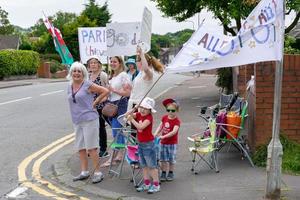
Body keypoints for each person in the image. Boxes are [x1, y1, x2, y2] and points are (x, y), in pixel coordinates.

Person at [66, 62, 109, 184]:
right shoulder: (69, 86)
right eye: (74, 71)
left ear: (83, 73)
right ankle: (84, 172)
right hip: (77, 120)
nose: (76, 73)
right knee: (81, 148)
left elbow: (105, 91)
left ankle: (97, 172)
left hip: (90, 119)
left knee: (91, 148)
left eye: (79, 71)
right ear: (71, 73)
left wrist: (95, 102)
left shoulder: (87, 84)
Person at [101, 56, 132, 167]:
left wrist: (113, 90)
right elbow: (111, 93)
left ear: (120, 63)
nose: (112, 63)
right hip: (112, 105)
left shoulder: (123, 75)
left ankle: (113, 158)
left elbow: (128, 93)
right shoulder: (112, 76)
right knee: (117, 131)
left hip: (121, 105)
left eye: (115, 61)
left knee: (116, 131)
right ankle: (120, 153)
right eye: (111, 61)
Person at [126, 97, 160, 194]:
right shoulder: (139, 114)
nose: (142, 110)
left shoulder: (148, 118)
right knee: (143, 165)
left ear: (150, 110)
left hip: (149, 144)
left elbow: (140, 126)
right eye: (141, 107)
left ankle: (156, 185)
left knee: (151, 166)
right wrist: (134, 108)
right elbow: (127, 115)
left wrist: (132, 119)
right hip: (140, 143)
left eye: (146, 108)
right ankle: (147, 183)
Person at [127, 46, 164, 112]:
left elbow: (146, 68)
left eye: (137, 61)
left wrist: (141, 54)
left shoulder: (149, 72)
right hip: (133, 104)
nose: (136, 63)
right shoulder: (140, 73)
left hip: (141, 106)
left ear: (141, 62)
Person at [87, 55, 110, 158]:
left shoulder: (103, 75)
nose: (93, 65)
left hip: (100, 106)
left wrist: (97, 102)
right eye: (91, 63)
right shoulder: (87, 76)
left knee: (100, 128)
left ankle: (104, 149)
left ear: (99, 64)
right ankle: (92, 149)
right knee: (91, 129)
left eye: (95, 62)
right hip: (90, 107)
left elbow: (107, 92)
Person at [154, 98, 181, 182]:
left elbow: (174, 132)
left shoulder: (177, 121)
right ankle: (163, 172)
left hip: (172, 143)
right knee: (163, 159)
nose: (170, 112)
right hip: (163, 143)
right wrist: (156, 133)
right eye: (168, 110)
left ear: (176, 111)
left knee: (171, 159)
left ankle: (171, 172)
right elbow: (161, 126)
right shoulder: (164, 117)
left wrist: (164, 136)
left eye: (172, 110)